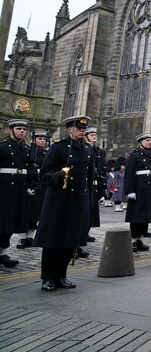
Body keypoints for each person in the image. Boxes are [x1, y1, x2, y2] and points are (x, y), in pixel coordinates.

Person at [35, 116, 93, 291]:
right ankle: (48, 277)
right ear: (69, 129)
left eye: (84, 129)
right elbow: (44, 174)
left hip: (77, 200)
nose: (82, 131)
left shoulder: (87, 149)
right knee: (53, 239)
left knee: (71, 239)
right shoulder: (58, 147)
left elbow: (89, 177)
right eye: (79, 128)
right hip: (58, 200)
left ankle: (62, 274)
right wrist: (59, 175)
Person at [0, 119, 35, 267]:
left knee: (12, 223)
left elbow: (31, 169)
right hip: (4, 189)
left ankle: (3, 253)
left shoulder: (26, 149)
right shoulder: (2, 147)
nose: (22, 131)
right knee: (2, 222)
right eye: (19, 128)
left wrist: (32, 185)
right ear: (11, 130)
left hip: (19, 190)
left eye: (24, 129)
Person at [124, 133, 151, 252]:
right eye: (147, 141)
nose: (149, 143)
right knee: (137, 215)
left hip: (150, 189)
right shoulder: (134, 156)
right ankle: (133, 240)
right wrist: (130, 190)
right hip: (139, 188)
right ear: (140, 142)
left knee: (146, 215)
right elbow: (129, 174)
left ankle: (139, 239)